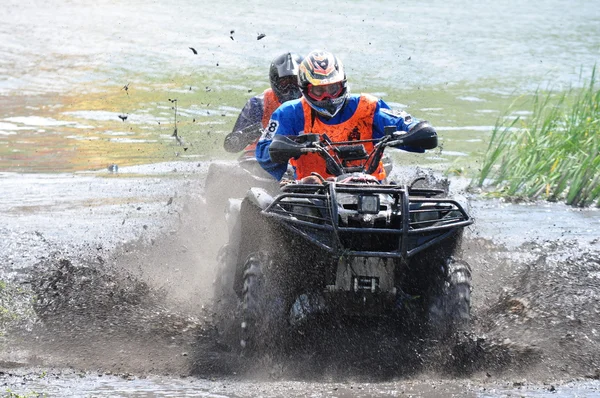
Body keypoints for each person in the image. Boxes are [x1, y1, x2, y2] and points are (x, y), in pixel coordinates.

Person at [256, 50, 428, 182]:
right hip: (313, 195)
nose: (327, 97)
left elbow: (406, 124)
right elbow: (263, 151)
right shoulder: (289, 112)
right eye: (318, 90)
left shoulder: (368, 107)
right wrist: (290, 146)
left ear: (342, 84)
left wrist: (416, 131)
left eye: (333, 89)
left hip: (373, 191)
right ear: (306, 89)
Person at [223, 52, 304, 157]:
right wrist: (249, 134)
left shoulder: (315, 103)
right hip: (259, 158)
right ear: (274, 81)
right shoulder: (258, 104)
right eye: (284, 83)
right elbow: (231, 146)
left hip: (302, 156)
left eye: (294, 82)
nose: (290, 88)